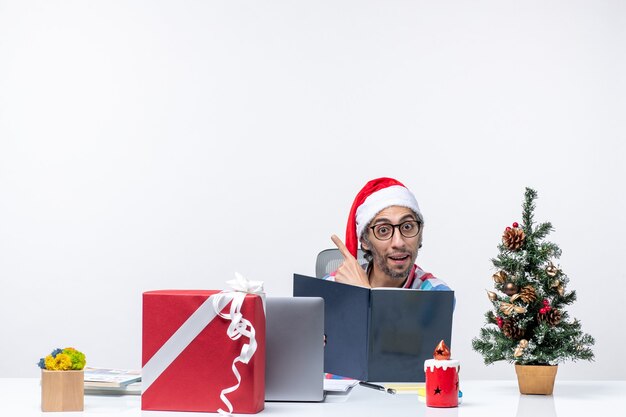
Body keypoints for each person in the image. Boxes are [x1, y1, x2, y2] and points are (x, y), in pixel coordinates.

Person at [326, 177, 451, 290]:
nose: (399, 242)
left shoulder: (436, 293)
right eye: (383, 230)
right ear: (364, 241)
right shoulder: (334, 284)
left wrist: (362, 291)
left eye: (407, 226)